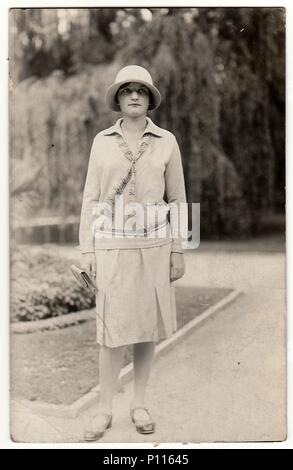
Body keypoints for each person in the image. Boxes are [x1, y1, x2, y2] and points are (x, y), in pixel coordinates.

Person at [79, 65, 187, 441]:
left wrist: (178, 249)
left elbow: (177, 198)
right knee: (110, 331)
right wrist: (86, 248)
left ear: (150, 98)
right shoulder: (102, 141)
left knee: (145, 329)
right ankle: (104, 408)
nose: (135, 96)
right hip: (110, 244)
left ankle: (139, 403)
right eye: (127, 91)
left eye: (141, 90)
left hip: (154, 246)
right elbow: (91, 197)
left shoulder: (167, 141)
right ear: (119, 99)